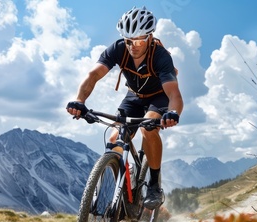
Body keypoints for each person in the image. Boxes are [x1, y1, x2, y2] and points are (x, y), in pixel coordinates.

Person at [66, 6, 183, 210]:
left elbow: (174, 93)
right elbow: (93, 75)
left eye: (138, 40)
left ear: (149, 37)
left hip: (159, 97)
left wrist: (173, 113)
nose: (132, 46)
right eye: (129, 40)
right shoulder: (118, 48)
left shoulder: (161, 56)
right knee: (115, 140)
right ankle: (125, 186)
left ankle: (154, 184)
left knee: (148, 129)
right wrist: (79, 101)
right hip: (134, 96)